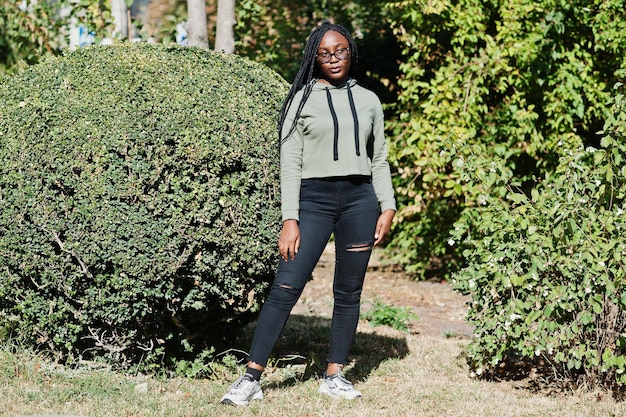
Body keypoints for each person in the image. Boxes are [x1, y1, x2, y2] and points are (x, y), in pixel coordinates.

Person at [221, 21, 396, 406]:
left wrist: (388, 204)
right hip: (314, 201)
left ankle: (334, 374)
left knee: (348, 292)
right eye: (325, 53)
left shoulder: (369, 100)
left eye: (341, 51)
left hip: (360, 202)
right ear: (314, 57)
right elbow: (290, 162)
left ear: (351, 53)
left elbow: (379, 158)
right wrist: (290, 218)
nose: (334, 59)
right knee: (286, 287)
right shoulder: (300, 100)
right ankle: (250, 378)